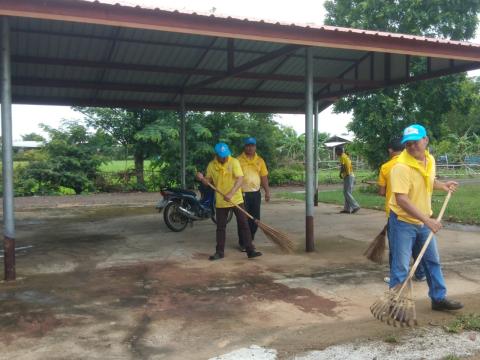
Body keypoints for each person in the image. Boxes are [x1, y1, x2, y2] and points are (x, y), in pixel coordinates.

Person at [388, 124, 463, 311]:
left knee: (432, 261)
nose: (412, 146)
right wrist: (428, 220)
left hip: (423, 221)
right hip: (403, 222)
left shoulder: (429, 159)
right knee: (401, 267)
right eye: (408, 144)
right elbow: (402, 200)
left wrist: (442, 185)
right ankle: (396, 304)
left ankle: (438, 299)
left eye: (416, 142)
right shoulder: (400, 167)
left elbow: (426, 181)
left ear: (425, 140)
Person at [196, 142, 262, 261]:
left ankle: (250, 250)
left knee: (244, 224)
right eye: (222, 155)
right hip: (221, 201)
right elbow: (208, 180)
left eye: (225, 154)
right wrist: (202, 179)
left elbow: (240, 179)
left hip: (236, 198)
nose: (224, 157)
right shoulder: (211, 165)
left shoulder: (234, 162)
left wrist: (231, 193)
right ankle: (219, 252)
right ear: (217, 155)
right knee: (220, 227)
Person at [378, 138, 425, 284]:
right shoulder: (414, 163)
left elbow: (381, 191)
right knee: (418, 245)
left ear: (390, 150)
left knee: (396, 249)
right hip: (418, 210)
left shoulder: (386, 167)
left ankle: (396, 278)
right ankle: (421, 273)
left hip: (396, 212)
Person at [236, 137, 271, 251]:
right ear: (245, 147)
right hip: (242, 194)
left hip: (255, 194)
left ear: (255, 147)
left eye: (252, 145)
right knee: (243, 219)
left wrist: (267, 191)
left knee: (255, 219)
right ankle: (243, 243)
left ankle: (250, 240)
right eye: (248, 145)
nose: (250, 148)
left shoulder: (260, 160)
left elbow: (264, 177)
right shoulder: (238, 160)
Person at [335, 147, 360, 214]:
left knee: (346, 192)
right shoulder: (345, 156)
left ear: (339, 151)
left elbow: (343, 167)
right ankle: (347, 209)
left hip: (348, 176)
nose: (336, 153)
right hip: (350, 175)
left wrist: (340, 173)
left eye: (336, 151)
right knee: (347, 192)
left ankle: (355, 206)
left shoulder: (342, 157)